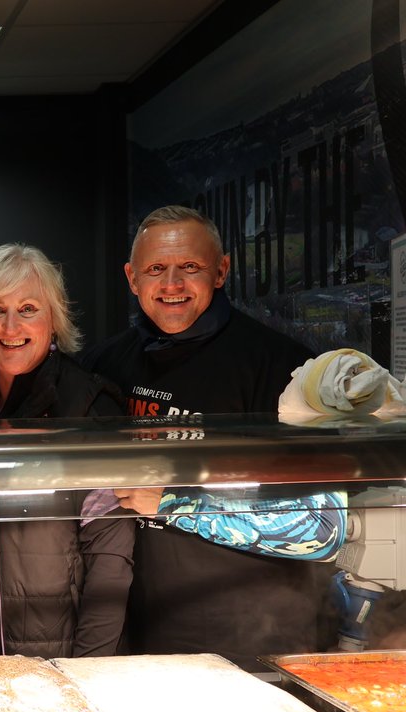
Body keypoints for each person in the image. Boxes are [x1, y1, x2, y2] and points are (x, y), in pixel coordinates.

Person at [80, 204, 343, 669]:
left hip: (261, 640)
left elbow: (322, 529)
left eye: (191, 267)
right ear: (131, 277)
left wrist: (173, 502)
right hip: (139, 636)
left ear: (221, 271)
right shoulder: (107, 364)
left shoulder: (285, 369)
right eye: (156, 269)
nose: (172, 284)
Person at [0, 244, 134, 659]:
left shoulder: (89, 407)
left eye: (29, 308)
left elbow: (111, 560)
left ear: (53, 318)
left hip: (56, 656)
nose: (11, 326)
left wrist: (88, 673)